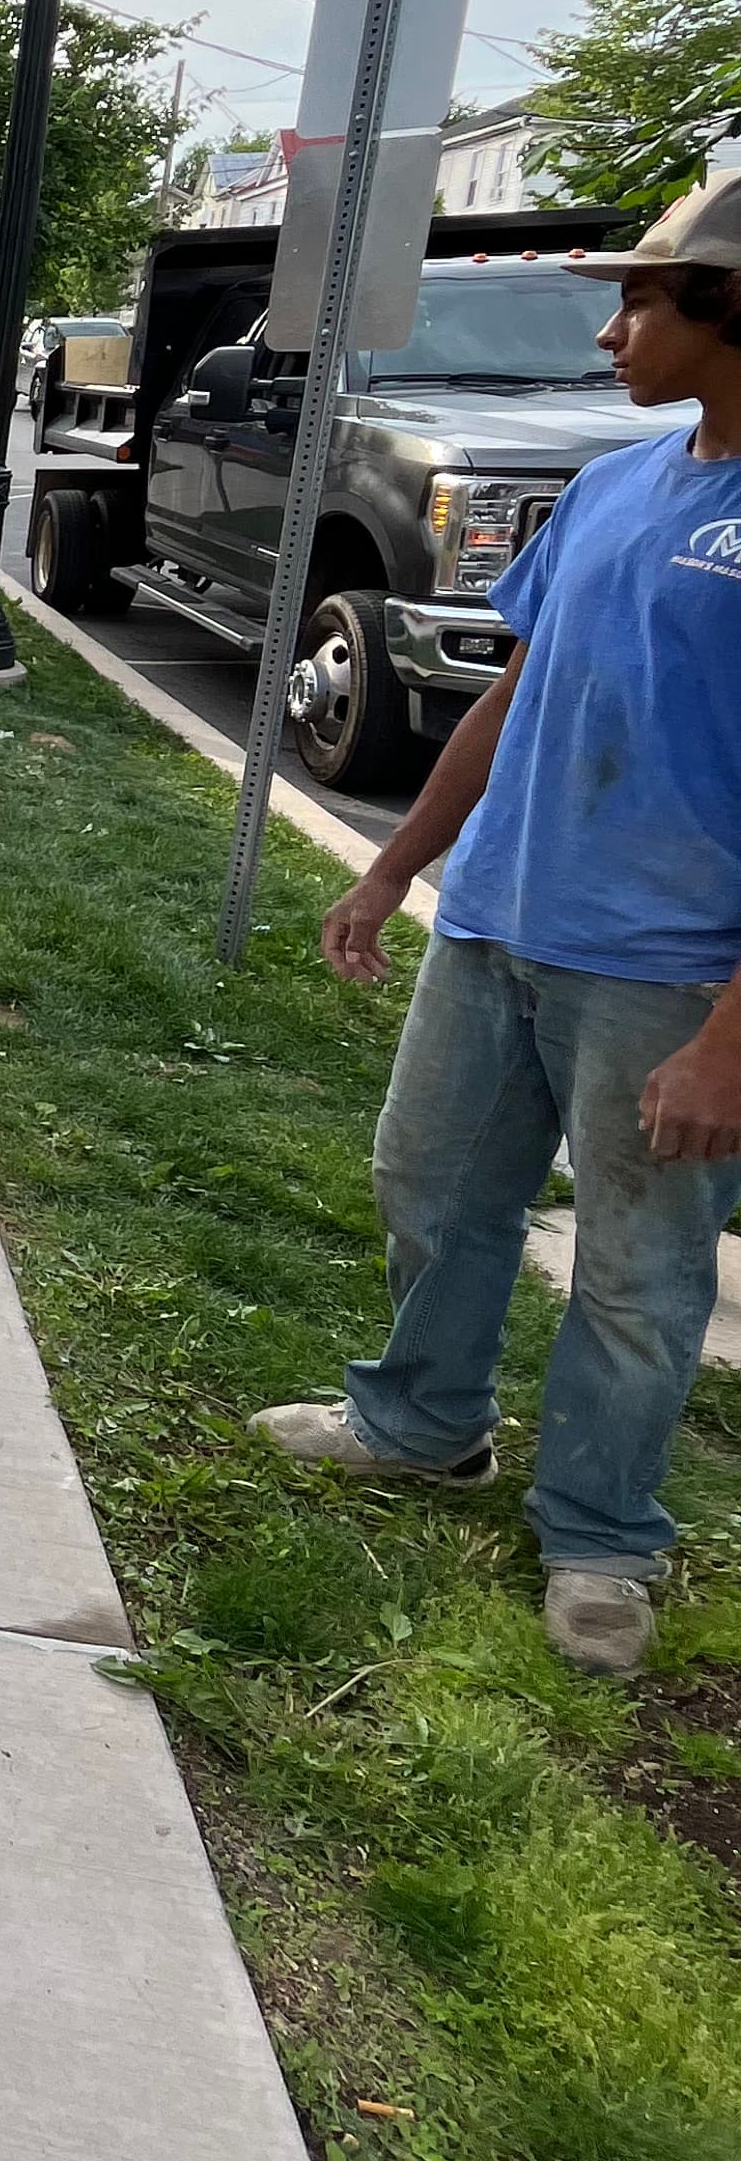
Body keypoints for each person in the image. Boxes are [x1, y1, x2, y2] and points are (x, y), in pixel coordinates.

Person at [253, 175, 741, 1676]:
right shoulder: (613, 486)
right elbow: (517, 696)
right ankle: (421, 1422)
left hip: (669, 974)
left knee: (638, 1272)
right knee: (430, 1178)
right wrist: (396, 865)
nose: (611, 332)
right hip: (499, 925)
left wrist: (731, 1041)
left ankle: (600, 1534)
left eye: (643, 302)